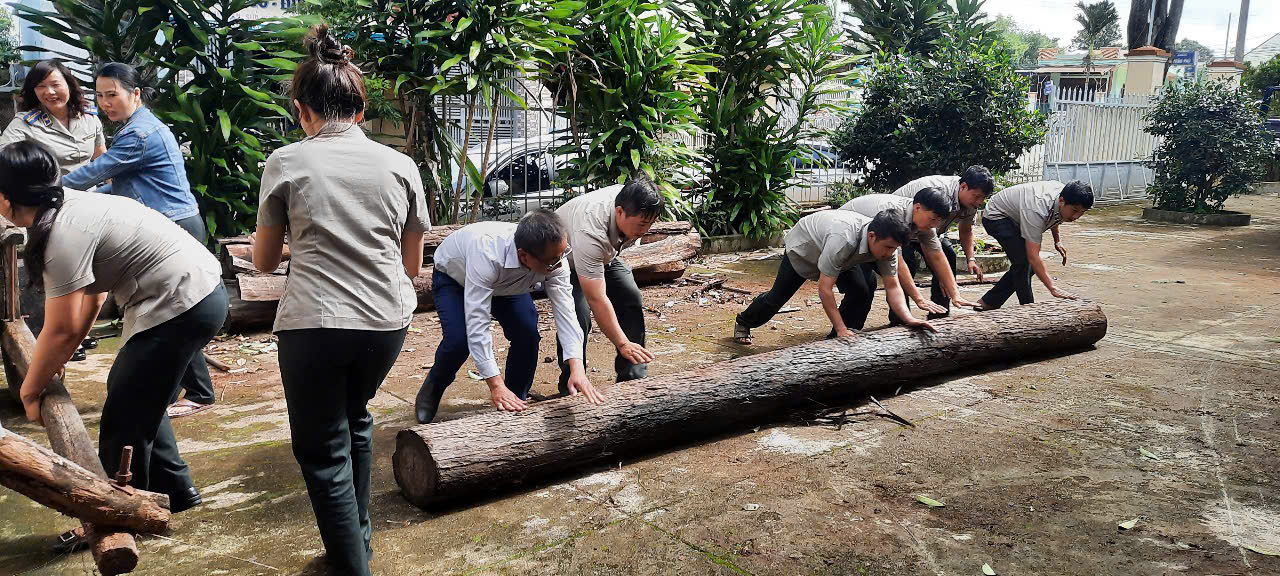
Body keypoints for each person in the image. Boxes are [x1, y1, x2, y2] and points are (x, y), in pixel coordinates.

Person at [251, 25, 429, 576]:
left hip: (316, 324)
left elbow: (263, 261)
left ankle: (352, 566)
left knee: (322, 449)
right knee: (354, 420)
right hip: (387, 322)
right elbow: (412, 265)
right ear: (360, 109)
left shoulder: (286, 161)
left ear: (302, 110)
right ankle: (357, 544)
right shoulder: (400, 164)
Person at [4, 140, 226, 551]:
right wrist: (57, 359)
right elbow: (92, 300)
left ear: (5, 198)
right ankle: (175, 491)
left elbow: (60, 328)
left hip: (182, 301)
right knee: (140, 395)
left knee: (123, 418)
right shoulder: (65, 205)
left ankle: (114, 516)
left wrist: (30, 388)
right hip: (197, 292)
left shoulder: (62, 233)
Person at [60, 62, 215, 418]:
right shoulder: (138, 127)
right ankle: (193, 391)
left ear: (135, 94)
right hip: (172, 226)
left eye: (112, 95)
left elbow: (98, 170)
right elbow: (119, 184)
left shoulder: (140, 134)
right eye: (99, 96)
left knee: (169, 317)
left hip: (174, 227)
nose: (105, 103)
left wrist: (47, 189)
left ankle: (194, 393)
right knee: (175, 315)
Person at [414, 210, 606, 423]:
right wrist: (495, 385)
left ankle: (515, 399)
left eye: (562, 255)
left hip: (509, 284)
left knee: (527, 333)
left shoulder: (554, 257)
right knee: (459, 341)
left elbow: (566, 312)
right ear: (524, 256)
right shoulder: (486, 252)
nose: (559, 264)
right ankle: (435, 385)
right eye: (553, 261)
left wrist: (577, 367)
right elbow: (478, 324)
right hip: (456, 278)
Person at [0, 59, 108, 360]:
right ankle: (60, 338)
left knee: (92, 272)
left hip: (89, 207)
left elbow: (102, 159)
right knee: (60, 274)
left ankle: (80, 333)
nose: (49, 92)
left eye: (55, 84)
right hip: (49, 210)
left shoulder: (90, 119)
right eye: (40, 86)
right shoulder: (25, 123)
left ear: (69, 85)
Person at [733, 209, 935, 344]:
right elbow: (825, 288)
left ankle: (840, 339)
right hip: (805, 251)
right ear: (872, 236)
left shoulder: (888, 244)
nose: (890, 253)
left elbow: (893, 286)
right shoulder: (844, 239)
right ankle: (744, 322)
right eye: (888, 248)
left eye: (894, 249)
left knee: (863, 289)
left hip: (841, 257)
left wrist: (908, 319)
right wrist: (840, 327)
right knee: (776, 298)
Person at [554, 179, 661, 392]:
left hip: (602, 256)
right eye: (642, 224)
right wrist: (622, 343)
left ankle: (632, 376)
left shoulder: (633, 200)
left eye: (650, 223)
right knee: (578, 315)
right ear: (619, 212)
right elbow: (597, 299)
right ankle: (572, 384)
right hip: (567, 260)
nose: (646, 230)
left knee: (629, 296)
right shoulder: (591, 230)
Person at [842, 189, 975, 323]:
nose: (934, 225)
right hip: (847, 239)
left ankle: (900, 323)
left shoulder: (925, 223)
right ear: (917, 208)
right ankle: (845, 332)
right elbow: (898, 264)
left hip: (873, 243)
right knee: (862, 287)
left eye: (938, 221)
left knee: (893, 278)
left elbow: (937, 255)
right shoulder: (896, 218)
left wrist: (955, 295)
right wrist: (919, 299)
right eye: (933, 219)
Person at [889, 166, 995, 316]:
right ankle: (900, 318)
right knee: (906, 266)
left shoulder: (970, 202)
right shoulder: (938, 193)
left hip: (928, 229)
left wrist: (970, 259)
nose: (979, 202)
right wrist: (938, 272)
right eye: (976, 196)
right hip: (900, 227)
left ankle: (940, 315)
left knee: (948, 256)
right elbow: (930, 246)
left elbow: (965, 230)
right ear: (963, 186)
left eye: (982, 198)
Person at [974, 180, 1094, 310]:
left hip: (1018, 216)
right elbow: (1033, 256)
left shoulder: (1064, 197)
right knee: (1024, 263)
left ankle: (989, 302)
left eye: (1082, 212)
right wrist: (1052, 288)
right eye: (1074, 210)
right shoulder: (1038, 209)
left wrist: (1057, 240)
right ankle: (1029, 309)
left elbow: (1056, 215)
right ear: (1061, 201)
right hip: (996, 215)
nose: (1076, 216)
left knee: (1027, 267)